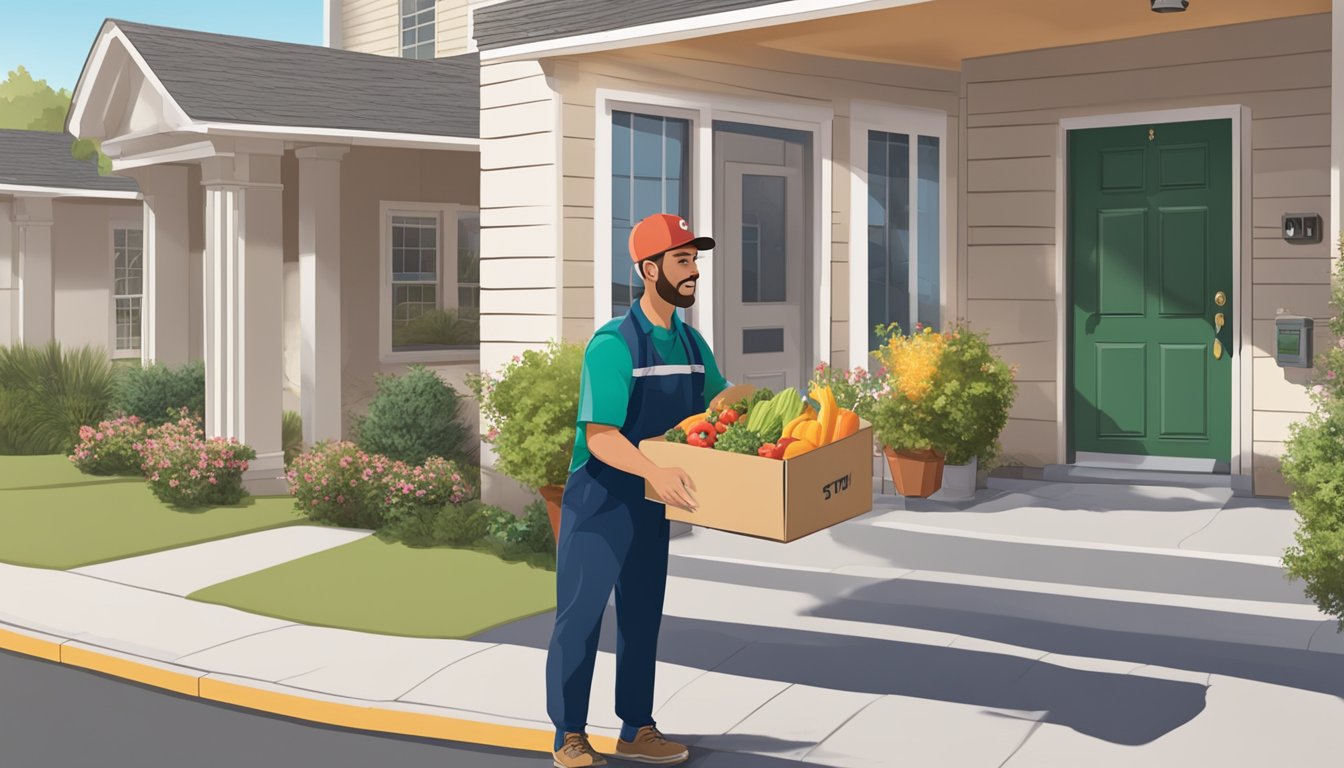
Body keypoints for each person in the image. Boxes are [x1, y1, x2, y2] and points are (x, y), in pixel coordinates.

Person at [546, 213, 730, 767]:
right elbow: (600, 437)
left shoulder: (693, 344)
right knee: (579, 618)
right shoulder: (614, 344)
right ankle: (569, 734)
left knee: (643, 616)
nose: (694, 270)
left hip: (651, 504)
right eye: (682, 260)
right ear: (650, 270)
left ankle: (636, 727)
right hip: (599, 501)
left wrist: (769, 409)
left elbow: (718, 405)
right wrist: (655, 470)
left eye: (695, 259)